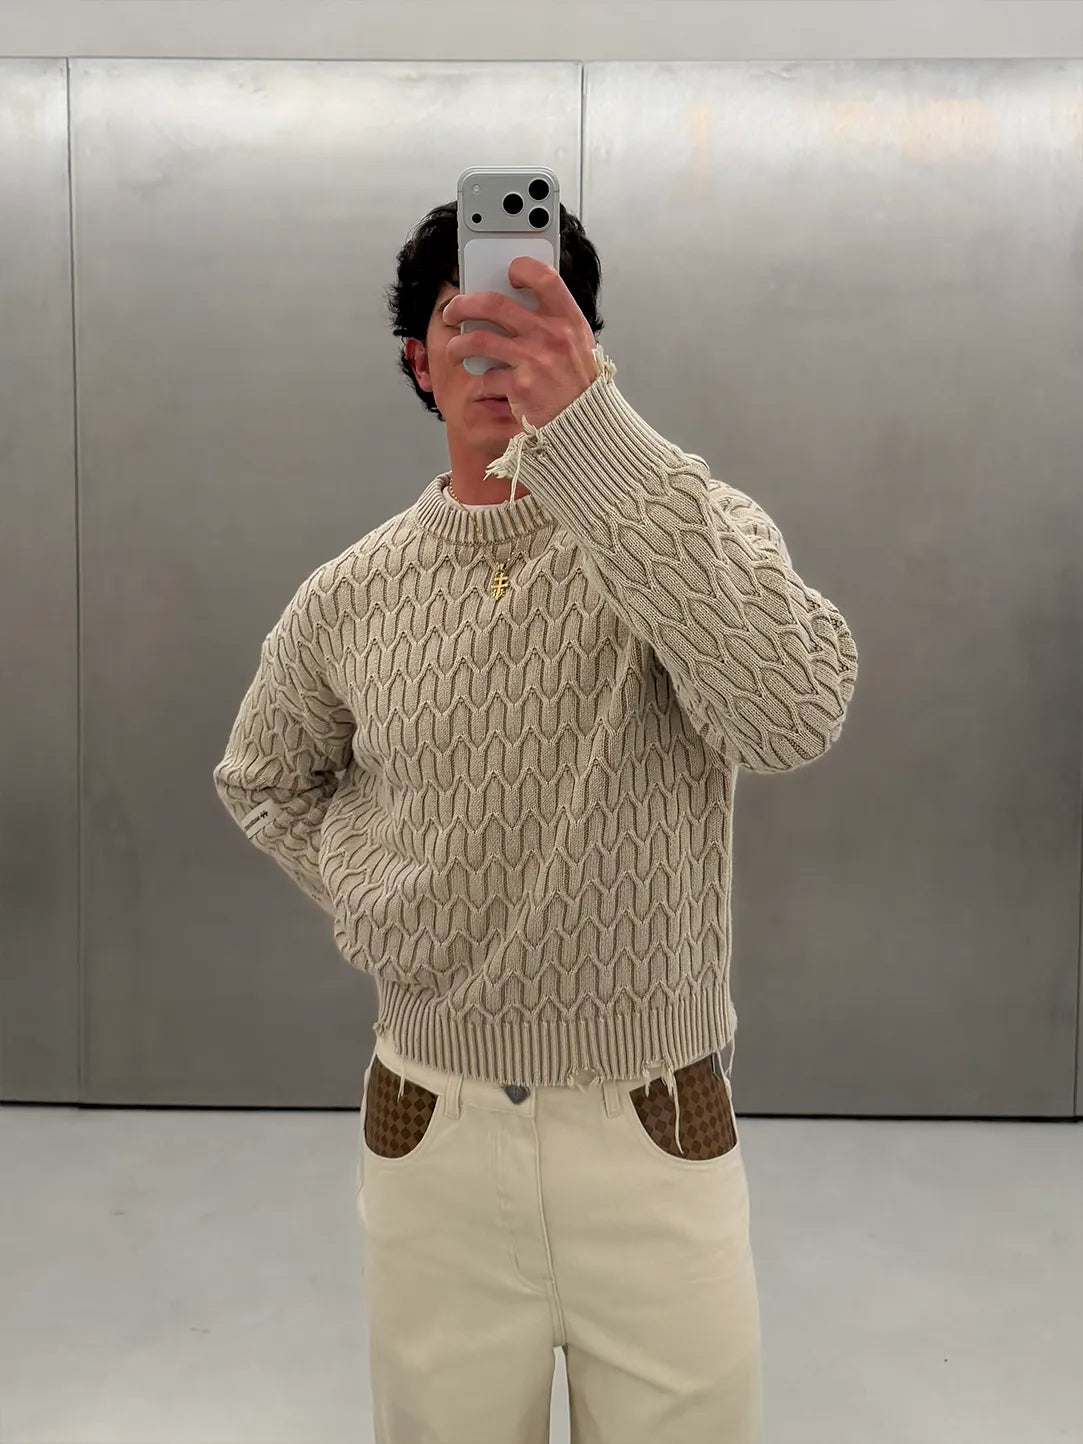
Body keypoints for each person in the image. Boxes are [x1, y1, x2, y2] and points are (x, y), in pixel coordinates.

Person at [214, 199, 858, 1444]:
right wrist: (384, 890)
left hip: (656, 1126)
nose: (499, 353)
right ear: (419, 360)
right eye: (468, 325)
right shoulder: (351, 595)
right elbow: (264, 777)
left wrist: (598, 438)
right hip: (431, 1126)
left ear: (587, 346)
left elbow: (793, 717)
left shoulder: (686, 529)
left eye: (537, 322)